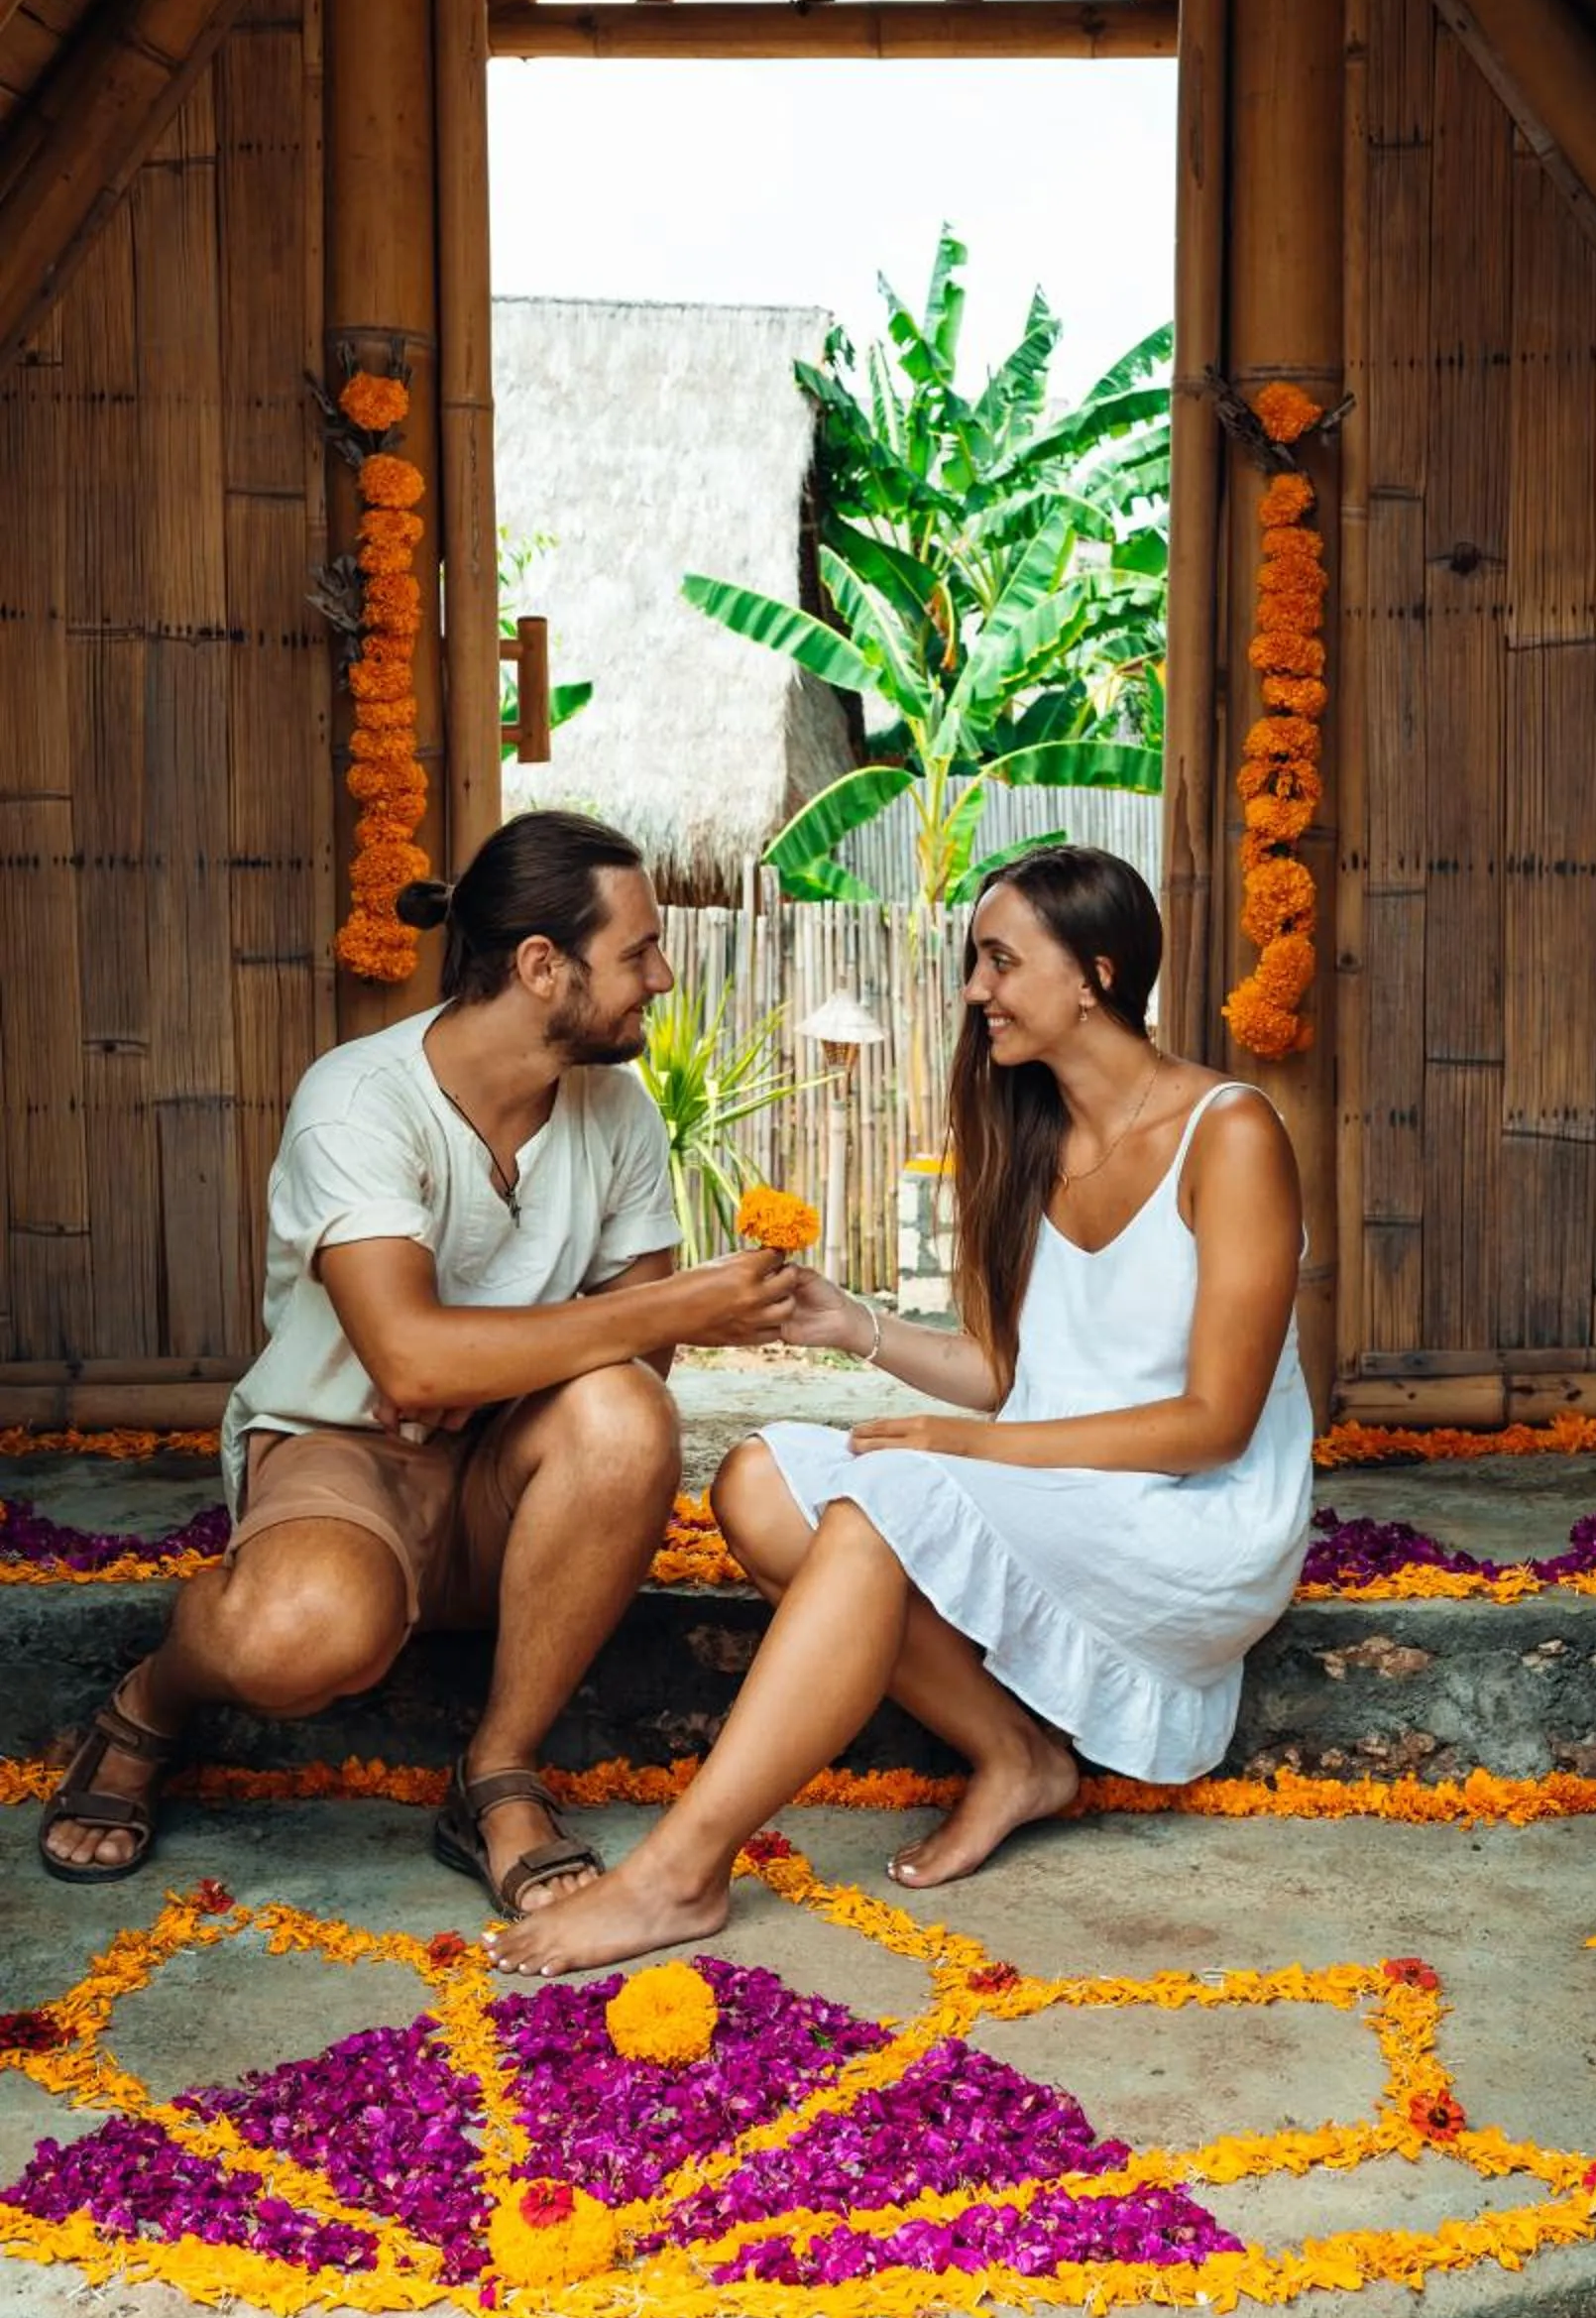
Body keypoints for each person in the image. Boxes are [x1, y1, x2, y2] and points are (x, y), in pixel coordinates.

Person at [484, 845, 1312, 1978]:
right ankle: (1014, 1755)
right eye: (977, 961)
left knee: (886, 1501)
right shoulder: (1030, 1135)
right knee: (761, 1483)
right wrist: (848, 1325)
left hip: (1191, 1518)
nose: (975, 990)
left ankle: (678, 1873)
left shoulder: (1231, 1135)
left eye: (999, 961)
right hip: (1065, 1490)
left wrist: (974, 1448)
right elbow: (1019, 1374)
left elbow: (1213, 1421)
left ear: (1096, 977)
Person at [41, 810, 794, 1913]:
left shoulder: (616, 1110)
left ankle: (495, 1771)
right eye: (638, 950)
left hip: (509, 1470)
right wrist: (568, 1334)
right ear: (542, 966)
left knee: (627, 1413)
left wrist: (496, 1366)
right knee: (297, 1635)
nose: (663, 977)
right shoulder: (357, 1101)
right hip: (345, 1453)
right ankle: (150, 1702)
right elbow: (409, 1366)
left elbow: (641, 1351)